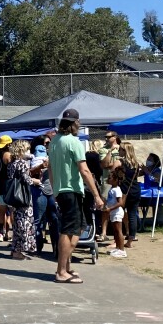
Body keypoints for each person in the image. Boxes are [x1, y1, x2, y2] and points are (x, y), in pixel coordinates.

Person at [48, 108, 104, 284]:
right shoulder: (74, 142)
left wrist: (55, 189)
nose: (78, 125)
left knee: (80, 227)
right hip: (70, 190)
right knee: (69, 229)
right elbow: (85, 170)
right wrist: (97, 195)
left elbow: (50, 169)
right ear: (74, 124)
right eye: (77, 122)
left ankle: (67, 265)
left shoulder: (55, 141)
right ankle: (61, 271)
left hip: (64, 191)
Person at [8, 140, 40, 260]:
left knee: (17, 224)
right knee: (24, 223)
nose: (28, 151)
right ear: (21, 150)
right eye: (26, 149)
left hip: (14, 197)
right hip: (23, 197)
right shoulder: (22, 163)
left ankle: (15, 249)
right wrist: (36, 181)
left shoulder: (11, 164)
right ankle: (19, 250)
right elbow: (26, 180)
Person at [103, 167, 127, 258]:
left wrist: (110, 209)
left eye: (110, 177)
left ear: (115, 179)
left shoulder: (117, 190)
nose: (108, 179)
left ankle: (122, 250)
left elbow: (120, 202)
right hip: (113, 212)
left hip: (117, 212)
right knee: (115, 231)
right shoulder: (112, 189)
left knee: (118, 231)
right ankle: (117, 247)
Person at [0, 135, 13, 242]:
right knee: (11, 210)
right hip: (9, 186)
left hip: (0, 185)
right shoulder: (8, 155)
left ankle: (1, 233)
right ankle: (9, 232)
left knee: (2, 210)